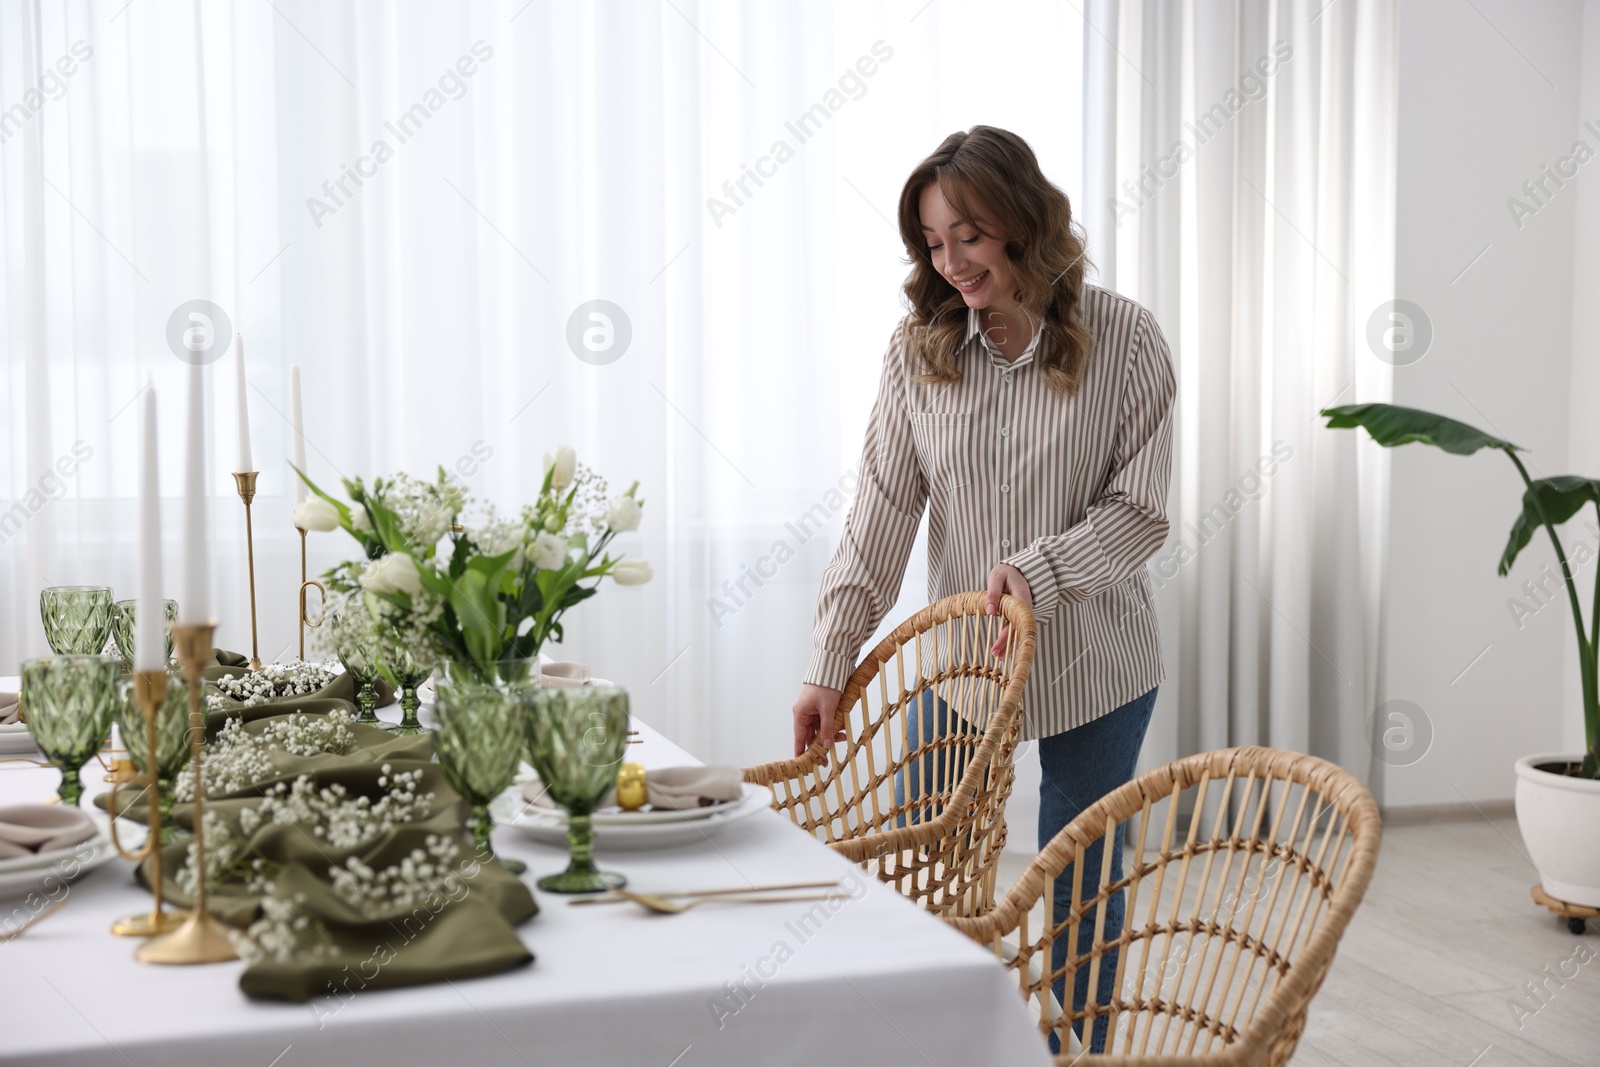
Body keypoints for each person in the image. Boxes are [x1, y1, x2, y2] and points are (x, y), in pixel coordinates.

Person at [790, 125, 1174, 1053]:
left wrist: (1037, 572)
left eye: (968, 233)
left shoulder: (1125, 338)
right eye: (932, 241)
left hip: (1098, 658)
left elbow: (1142, 510)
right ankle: (931, 1040)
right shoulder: (919, 350)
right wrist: (827, 666)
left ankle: (1070, 1048)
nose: (951, 260)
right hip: (960, 667)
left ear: (1021, 222)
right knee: (921, 863)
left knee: (1080, 876)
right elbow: (879, 518)